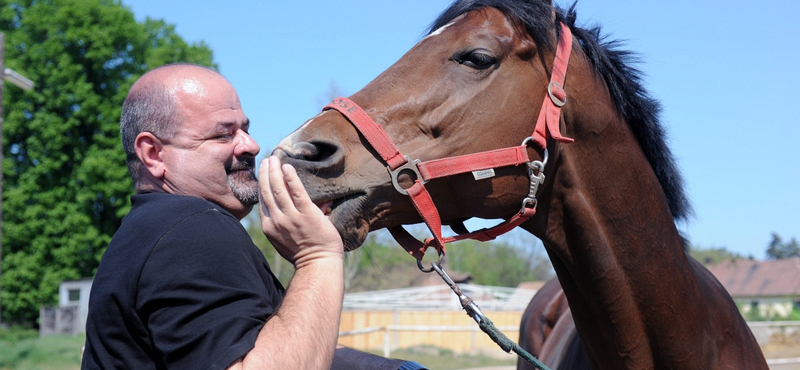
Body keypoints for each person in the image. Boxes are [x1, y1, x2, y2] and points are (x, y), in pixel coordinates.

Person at [81, 63, 427, 370]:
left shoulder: (150, 232)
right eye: (223, 134)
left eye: (245, 128)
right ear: (153, 154)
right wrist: (317, 256)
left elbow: (279, 347)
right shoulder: (191, 227)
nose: (250, 145)